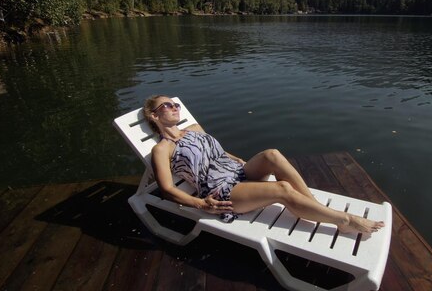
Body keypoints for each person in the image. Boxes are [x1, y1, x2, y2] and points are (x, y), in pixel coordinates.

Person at [143, 95, 384, 234]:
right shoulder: (162, 149)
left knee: (272, 154)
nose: (175, 107)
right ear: (154, 116)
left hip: (234, 170)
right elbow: (167, 189)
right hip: (220, 190)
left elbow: (216, 151)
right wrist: (200, 203)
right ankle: (343, 221)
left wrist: (235, 158)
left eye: (176, 104)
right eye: (167, 105)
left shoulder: (193, 129)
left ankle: (313, 204)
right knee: (283, 190)